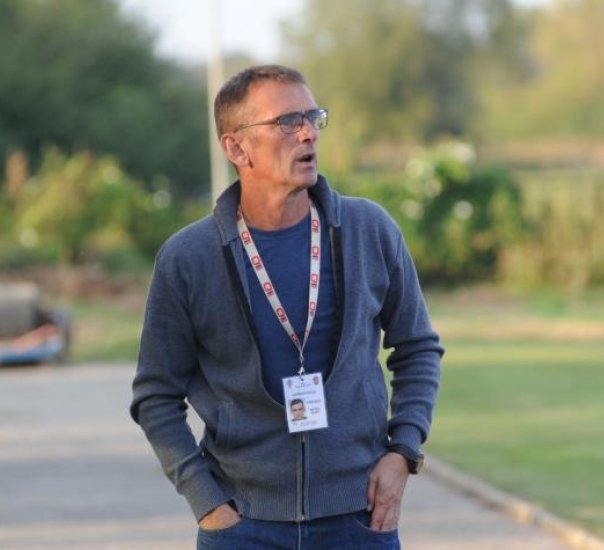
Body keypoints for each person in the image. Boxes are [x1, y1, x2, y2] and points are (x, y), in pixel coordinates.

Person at [131, 65, 443, 549]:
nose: (308, 133)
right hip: (242, 526)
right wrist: (207, 502)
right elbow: (155, 394)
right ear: (237, 148)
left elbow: (418, 348)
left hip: (359, 519)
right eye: (286, 122)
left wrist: (403, 451)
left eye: (313, 117)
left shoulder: (369, 230)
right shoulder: (188, 258)